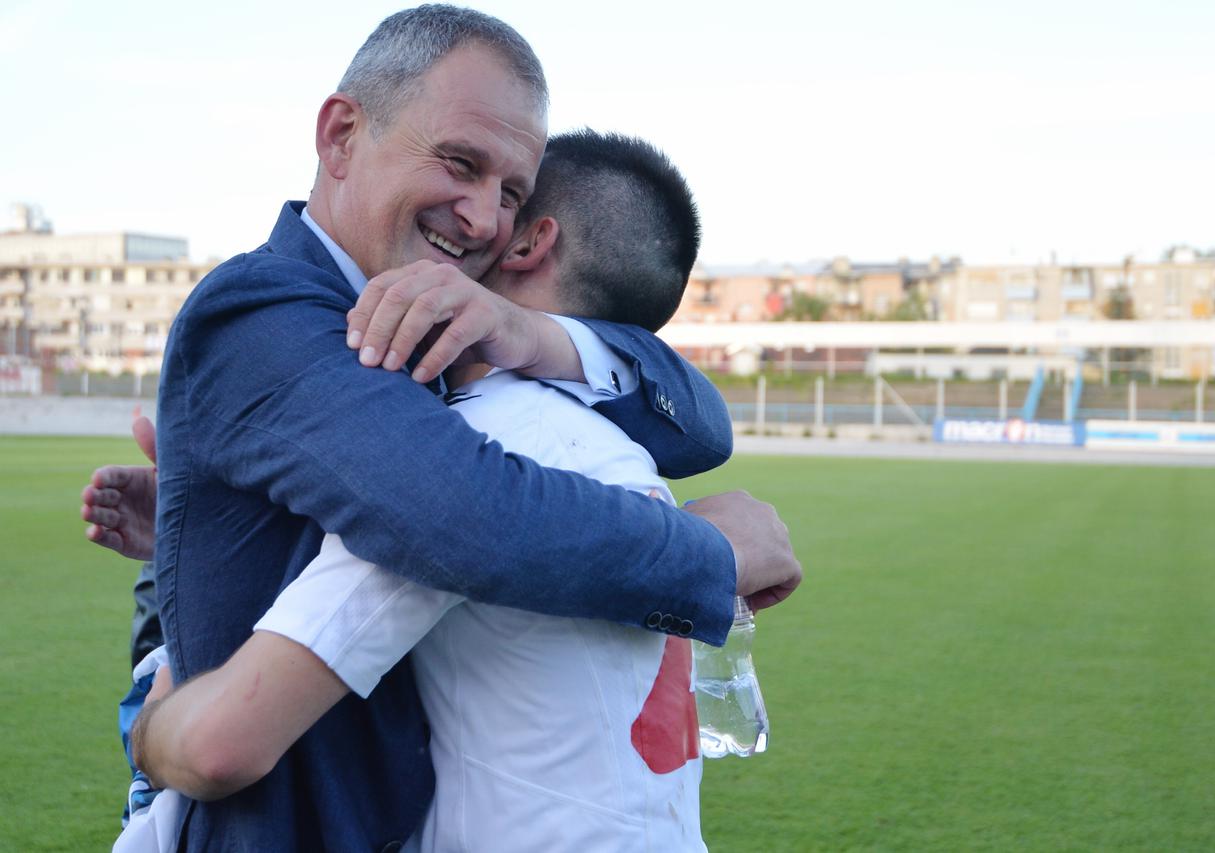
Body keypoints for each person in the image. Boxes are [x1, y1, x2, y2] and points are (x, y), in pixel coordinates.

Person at [84, 6, 801, 850]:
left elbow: (700, 424)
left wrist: (534, 333)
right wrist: (711, 554)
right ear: (342, 134)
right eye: (460, 164)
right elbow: (468, 516)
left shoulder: (444, 332)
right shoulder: (265, 308)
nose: (483, 218)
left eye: (511, 193)